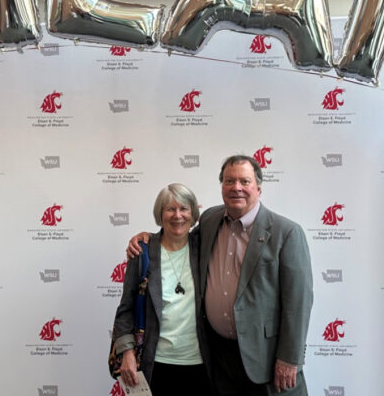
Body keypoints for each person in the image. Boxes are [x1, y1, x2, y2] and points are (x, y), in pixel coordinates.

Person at [128, 156, 313, 395]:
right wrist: (147, 238)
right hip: (218, 359)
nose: (236, 187)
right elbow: (176, 235)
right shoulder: (209, 220)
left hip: (265, 358)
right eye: (229, 181)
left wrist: (289, 358)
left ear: (258, 187)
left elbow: (298, 304)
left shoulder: (286, 233)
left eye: (244, 181)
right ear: (222, 187)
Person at [112, 183, 211, 396]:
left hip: (200, 363)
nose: (178, 215)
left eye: (184, 209)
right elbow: (125, 308)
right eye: (170, 209)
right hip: (156, 363)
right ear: (160, 214)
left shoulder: (204, 247)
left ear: (193, 214)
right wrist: (127, 351)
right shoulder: (142, 251)